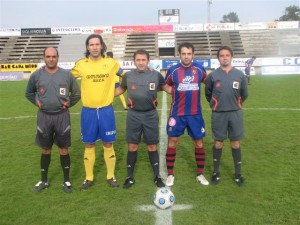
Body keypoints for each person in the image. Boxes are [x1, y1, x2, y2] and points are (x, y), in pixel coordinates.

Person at [71, 34, 125, 191]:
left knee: (108, 143)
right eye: (91, 44)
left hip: (106, 110)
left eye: (97, 44)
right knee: (89, 144)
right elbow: (65, 78)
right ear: (87, 47)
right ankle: (89, 178)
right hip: (88, 111)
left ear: (102, 46)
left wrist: (123, 89)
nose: (94, 47)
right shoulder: (81, 65)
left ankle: (110, 176)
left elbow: (126, 76)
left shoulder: (111, 63)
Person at [25, 47, 81, 193]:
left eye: (54, 56)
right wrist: (37, 102)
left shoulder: (66, 75)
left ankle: (66, 181)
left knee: (63, 148)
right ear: (44, 57)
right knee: (45, 149)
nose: (51, 59)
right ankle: (43, 180)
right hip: (44, 117)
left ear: (58, 57)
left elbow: (76, 94)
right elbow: (29, 93)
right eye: (48, 56)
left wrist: (68, 104)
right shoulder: (36, 75)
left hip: (62, 117)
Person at [115, 49, 169, 189]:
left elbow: (164, 87)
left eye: (143, 60)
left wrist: (180, 92)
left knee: (152, 145)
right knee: (132, 145)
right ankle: (129, 177)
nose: (140, 62)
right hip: (133, 115)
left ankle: (157, 176)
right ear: (134, 61)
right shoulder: (128, 76)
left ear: (148, 61)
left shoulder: (156, 75)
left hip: (150, 115)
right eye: (138, 60)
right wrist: (104, 95)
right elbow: (121, 89)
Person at [164, 42, 209, 187]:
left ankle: (200, 173)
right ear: (179, 55)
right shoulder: (173, 70)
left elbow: (208, 83)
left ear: (193, 55)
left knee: (199, 143)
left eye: (189, 54)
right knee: (172, 142)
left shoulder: (200, 70)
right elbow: (165, 84)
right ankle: (170, 174)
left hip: (195, 114)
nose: (186, 56)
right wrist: (172, 91)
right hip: (177, 113)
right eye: (183, 54)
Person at [205, 46, 248, 186]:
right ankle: (216, 173)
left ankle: (238, 174)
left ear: (231, 57)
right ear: (218, 58)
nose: (224, 57)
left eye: (227, 55)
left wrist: (235, 104)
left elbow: (244, 94)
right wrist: (216, 104)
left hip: (235, 113)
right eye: (222, 55)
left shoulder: (240, 75)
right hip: (219, 114)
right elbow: (208, 94)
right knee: (218, 142)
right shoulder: (212, 75)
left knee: (235, 142)